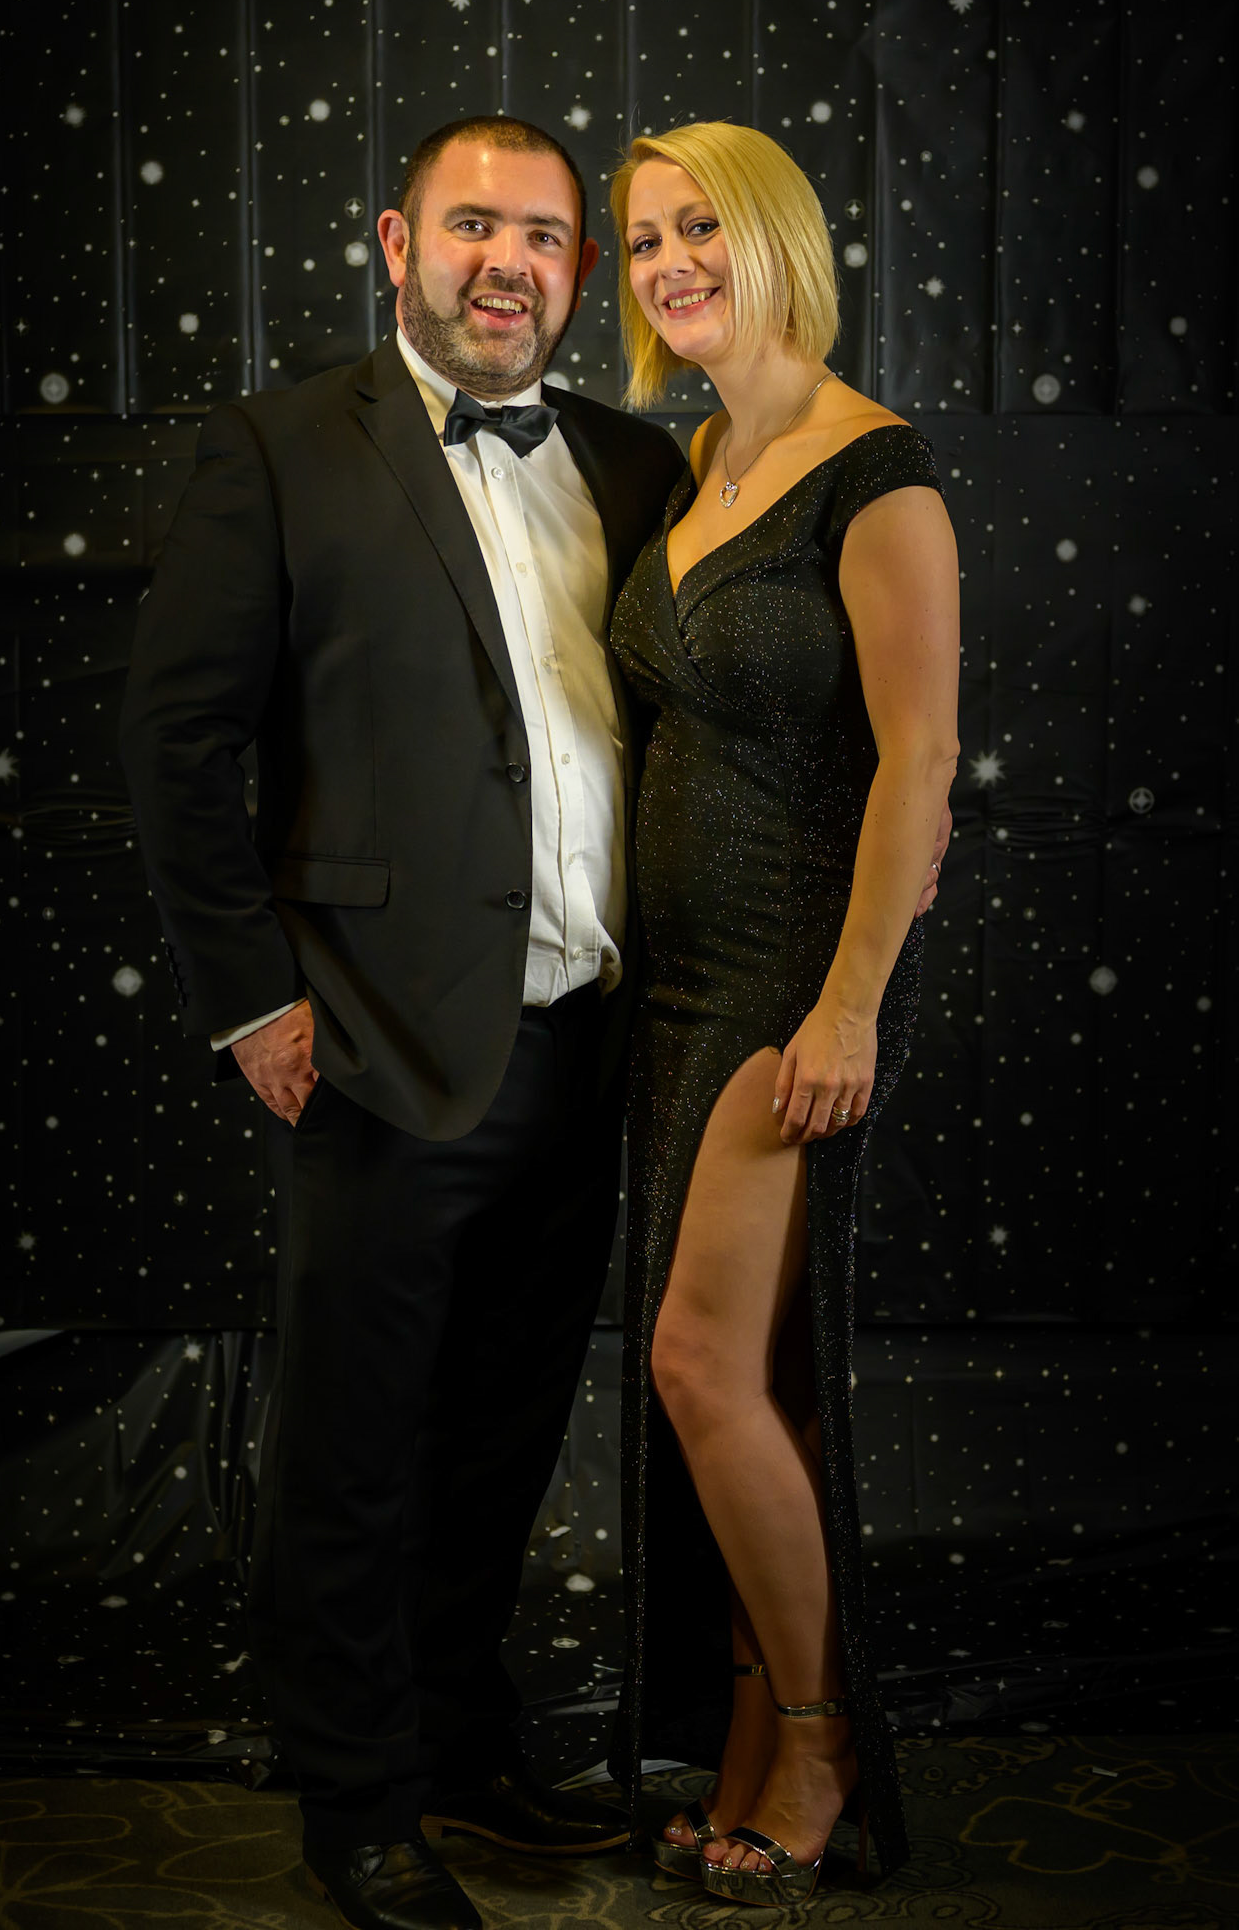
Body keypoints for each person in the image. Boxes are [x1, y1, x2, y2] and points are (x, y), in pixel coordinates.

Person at [119, 114, 687, 1930]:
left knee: (504, 1429)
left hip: (590, 1035)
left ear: (576, 274)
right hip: (371, 1036)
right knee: (356, 1448)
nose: (505, 262)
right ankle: (354, 1802)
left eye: (542, 236)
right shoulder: (278, 447)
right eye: (471, 226)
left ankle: (458, 1744)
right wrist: (252, 1002)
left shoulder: (635, 461)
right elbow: (178, 744)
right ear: (396, 242)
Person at [606, 121, 961, 1908]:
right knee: (752, 1387)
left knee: (694, 1363)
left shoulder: (872, 471)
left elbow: (921, 763)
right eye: (642, 240)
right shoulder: (697, 460)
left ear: (775, 241)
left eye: (701, 228)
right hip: (668, 993)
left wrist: (848, 1006)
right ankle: (756, 1734)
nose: (669, 264)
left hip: (783, 982)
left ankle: (818, 1748)